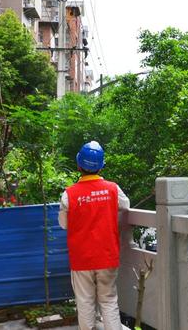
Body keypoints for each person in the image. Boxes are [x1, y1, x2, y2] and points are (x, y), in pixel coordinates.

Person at [58, 141, 130, 330]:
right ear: (101, 166)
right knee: (109, 301)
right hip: (107, 256)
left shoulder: (68, 195)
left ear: (78, 165)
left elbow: (64, 224)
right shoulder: (114, 189)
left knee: (85, 303)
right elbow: (126, 205)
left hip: (81, 259)